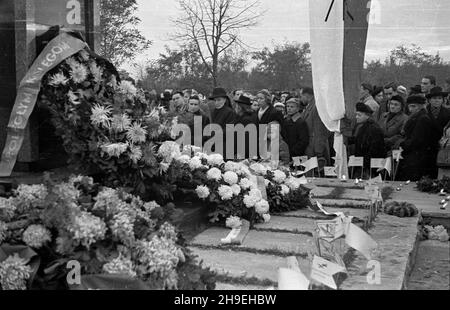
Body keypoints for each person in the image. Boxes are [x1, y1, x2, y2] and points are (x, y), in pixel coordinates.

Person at [397, 95, 436, 181]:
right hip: (413, 155)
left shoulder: (422, 118)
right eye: (410, 106)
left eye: (413, 106)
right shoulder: (416, 117)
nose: (411, 109)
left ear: (421, 106)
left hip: (416, 157)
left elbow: (417, 140)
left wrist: (402, 144)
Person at [348, 102, 385, 178]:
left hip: (369, 166)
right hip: (364, 164)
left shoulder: (373, 129)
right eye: (356, 115)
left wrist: (364, 163)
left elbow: (374, 150)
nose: (356, 117)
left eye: (359, 115)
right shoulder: (363, 126)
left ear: (367, 116)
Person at [300, 87, 332, 167]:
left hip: (315, 147)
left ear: (306, 95)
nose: (301, 99)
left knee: (316, 174)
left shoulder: (316, 107)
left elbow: (320, 129)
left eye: (301, 96)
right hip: (311, 145)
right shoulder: (310, 106)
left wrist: (319, 151)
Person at [425, 86, 450, 178]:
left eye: (439, 98)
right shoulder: (424, 111)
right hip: (426, 147)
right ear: (429, 100)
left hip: (440, 147)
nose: (437, 101)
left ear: (443, 100)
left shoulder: (448, 113)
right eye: (434, 98)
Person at [209, 87, 236, 158]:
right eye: (215, 100)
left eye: (219, 100)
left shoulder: (230, 112)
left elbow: (229, 130)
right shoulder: (213, 111)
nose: (216, 102)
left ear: (224, 99)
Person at [234, 95, 258, 160]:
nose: (236, 107)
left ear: (241, 107)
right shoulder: (248, 116)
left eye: (237, 105)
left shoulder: (246, 119)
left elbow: (246, 140)